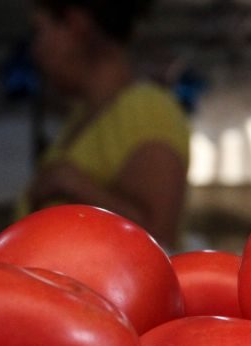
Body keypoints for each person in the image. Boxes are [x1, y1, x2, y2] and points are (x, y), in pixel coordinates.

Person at [19, 0, 190, 252]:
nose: (36, 49)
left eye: (40, 30)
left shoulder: (147, 110)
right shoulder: (79, 117)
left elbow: (159, 238)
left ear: (76, 26)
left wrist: (74, 184)